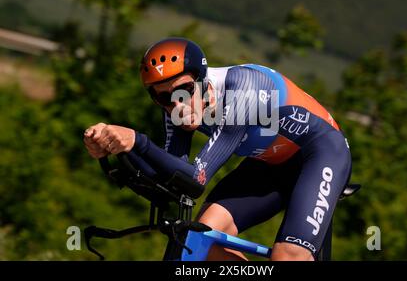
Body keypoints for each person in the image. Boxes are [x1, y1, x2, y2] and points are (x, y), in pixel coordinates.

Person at [83, 37, 352, 261]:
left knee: (287, 256)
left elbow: (196, 179)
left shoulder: (242, 92)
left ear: (203, 80)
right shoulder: (175, 109)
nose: (177, 105)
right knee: (198, 241)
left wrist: (137, 141)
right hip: (270, 165)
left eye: (184, 91)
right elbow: (173, 182)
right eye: (162, 97)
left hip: (320, 153)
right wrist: (116, 150)